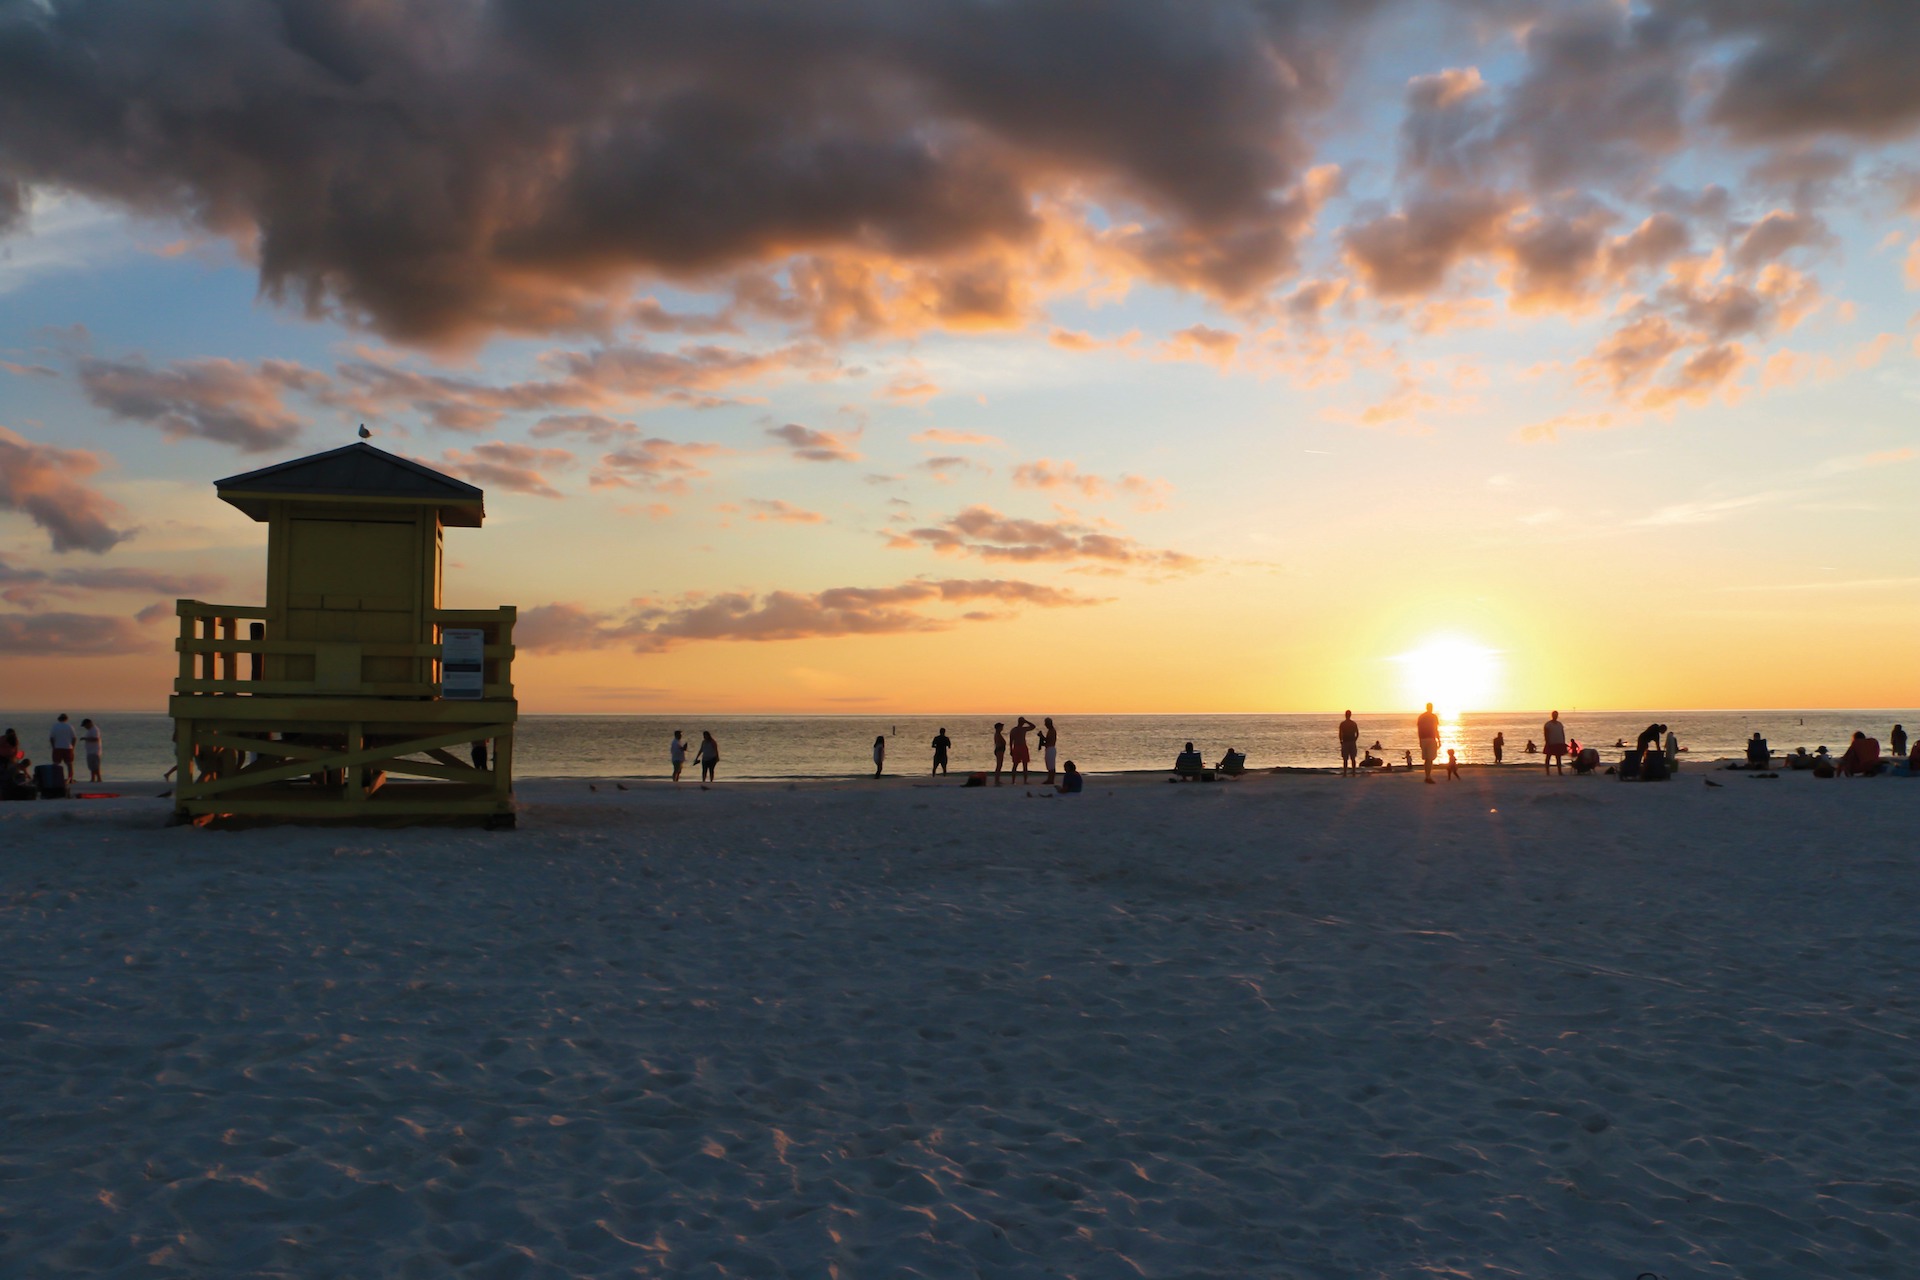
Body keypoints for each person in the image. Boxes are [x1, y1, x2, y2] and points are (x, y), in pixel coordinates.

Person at [48, 713, 77, 784]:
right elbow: (74, 738)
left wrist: (53, 747)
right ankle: (70, 779)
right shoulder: (70, 726)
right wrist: (73, 747)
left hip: (57, 747)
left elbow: (51, 738)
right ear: (66, 719)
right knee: (69, 764)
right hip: (68, 747)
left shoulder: (55, 726)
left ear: (59, 719)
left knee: (55, 764)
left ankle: (55, 779)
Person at [1416, 702, 1440, 784]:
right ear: (1431, 708)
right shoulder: (1433, 717)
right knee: (1429, 759)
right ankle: (1428, 776)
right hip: (1430, 738)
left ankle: (1427, 776)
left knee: (1427, 759)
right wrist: (1439, 740)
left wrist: (1420, 740)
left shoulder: (1421, 717)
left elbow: (1419, 730)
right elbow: (1436, 729)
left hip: (1423, 739)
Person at [1008, 716, 1036, 783]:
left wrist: (1011, 749)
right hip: (1019, 747)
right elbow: (1011, 741)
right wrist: (1011, 749)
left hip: (1020, 747)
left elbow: (1033, 726)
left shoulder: (1019, 729)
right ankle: (1016, 780)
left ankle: (1020, 780)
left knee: (1023, 764)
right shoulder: (1017, 729)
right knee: (1017, 765)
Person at [1542, 711, 1568, 776]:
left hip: (1559, 742)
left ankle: (1560, 772)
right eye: (1554, 715)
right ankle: (1547, 772)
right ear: (1552, 715)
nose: (1555, 716)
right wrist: (1547, 742)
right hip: (1551, 742)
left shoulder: (1559, 724)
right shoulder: (1548, 724)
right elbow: (1546, 734)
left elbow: (1562, 733)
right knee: (1548, 757)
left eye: (1556, 715)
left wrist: (1563, 742)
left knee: (1558, 758)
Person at [79, 717, 103, 783]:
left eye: (85, 725)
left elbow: (96, 739)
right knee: (91, 767)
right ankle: (93, 779)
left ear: (89, 723)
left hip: (95, 751)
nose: (85, 727)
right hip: (90, 751)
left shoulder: (95, 730)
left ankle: (99, 779)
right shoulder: (90, 730)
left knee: (95, 766)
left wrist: (85, 739)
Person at [1338, 711, 1360, 776]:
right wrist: (1354, 740)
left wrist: (1341, 741)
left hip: (1346, 742)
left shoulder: (1343, 723)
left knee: (1346, 759)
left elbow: (1340, 733)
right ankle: (1353, 773)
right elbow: (1357, 733)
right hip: (1350, 742)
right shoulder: (1352, 723)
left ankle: (1346, 773)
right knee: (1352, 758)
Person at [1040, 717, 1060, 785]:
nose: (1045, 725)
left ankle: (1051, 780)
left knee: (1051, 765)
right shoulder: (1050, 731)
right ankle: (1049, 779)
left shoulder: (1052, 731)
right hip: (1049, 748)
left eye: (1046, 723)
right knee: (1049, 765)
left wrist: (1042, 736)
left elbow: (1048, 740)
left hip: (1051, 749)